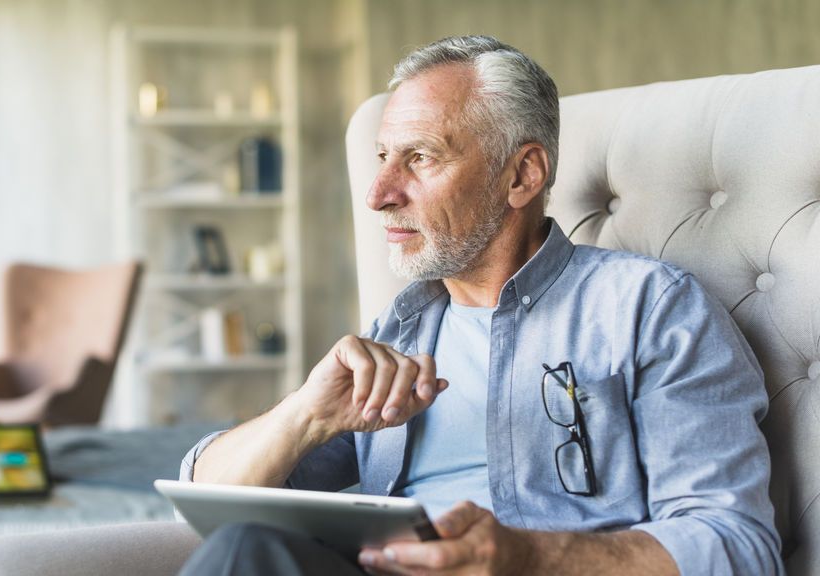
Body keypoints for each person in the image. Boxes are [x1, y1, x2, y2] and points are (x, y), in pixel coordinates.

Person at [177, 35, 782, 576]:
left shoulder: (648, 310)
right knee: (246, 549)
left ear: (522, 175)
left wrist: (529, 558)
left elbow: (737, 546)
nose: (378, 195)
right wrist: (305, 413)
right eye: (383, 157)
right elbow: (204, 498)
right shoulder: (400, 331)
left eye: (421, 158)